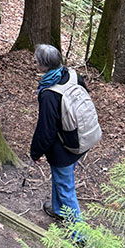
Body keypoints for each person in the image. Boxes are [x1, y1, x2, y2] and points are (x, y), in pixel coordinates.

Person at [30, 44, 86, 223]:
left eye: (37, 61)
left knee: (66, 188)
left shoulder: (49, 94)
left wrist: (36, 152)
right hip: (81, 138)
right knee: (61, 177)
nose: (35, 63)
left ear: (43, 66)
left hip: (64, 148)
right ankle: (58, 209)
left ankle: (81, 237)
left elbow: (46, 129)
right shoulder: (73, 75)